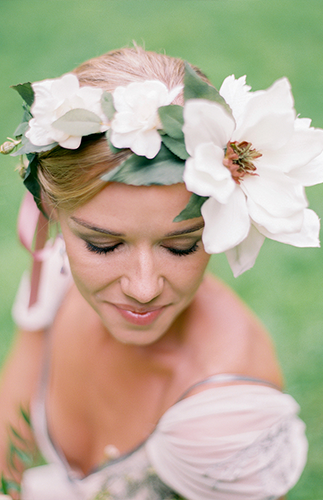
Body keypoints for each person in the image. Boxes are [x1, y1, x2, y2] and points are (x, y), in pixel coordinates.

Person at [1, 45, 322, 500]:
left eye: (181, 246)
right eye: (103, 245)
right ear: (49, 214)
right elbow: (9, 437)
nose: (144, 288)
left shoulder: (223, 421)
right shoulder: (49, 258)